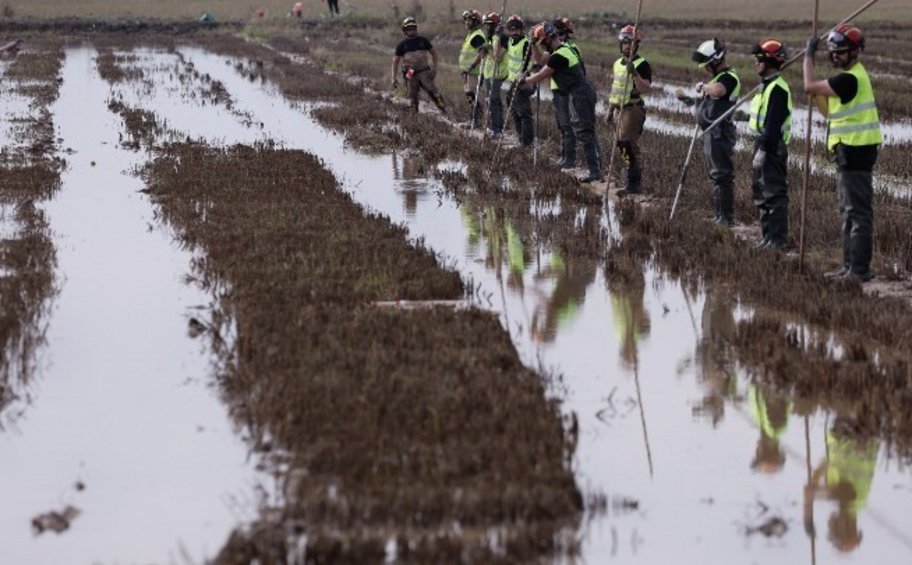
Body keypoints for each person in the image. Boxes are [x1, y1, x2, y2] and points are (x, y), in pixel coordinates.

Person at [803, 23, 881, 282]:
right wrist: (816, 95)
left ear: (855, 52)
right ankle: (848, 268)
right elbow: (828, 113)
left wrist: (807, 56)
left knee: (857, 214)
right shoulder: (845, 80)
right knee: (848, 212)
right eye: (832, 51)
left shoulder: (850, 79)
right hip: (848, 152)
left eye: (841, 51)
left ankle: (858, 271)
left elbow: (808, 84)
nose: (835, 55)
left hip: (856, 152)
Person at [523, 21, 601, 183]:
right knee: (583, 130)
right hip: (578, 92)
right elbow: (540, 59)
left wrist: (524, 80)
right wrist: (532, 44)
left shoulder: (560, 55)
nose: (542, 46)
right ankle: (595, 168)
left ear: (549, 39)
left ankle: (595, 170)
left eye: (542, 42)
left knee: (585, 131)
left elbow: (541, 75)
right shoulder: (562, 49)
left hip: (580, 94)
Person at [749, 38, 793, 250]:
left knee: (774, 194)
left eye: (759, 60)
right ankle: (767, 238)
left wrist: (764, 150)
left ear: (770, 62)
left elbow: (773, 125)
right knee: (761, 193)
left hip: (773, 147)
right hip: (762, 143)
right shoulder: (765, 87)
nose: (755, 64)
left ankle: (777, 240)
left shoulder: (778, 89)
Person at [692, 38, 741, 226]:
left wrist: (703, 87)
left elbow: (719, 91)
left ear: (716, 60)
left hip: (720, 132)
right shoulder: (716, 77)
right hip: (710, 133)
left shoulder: (728, 77)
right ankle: (719, 215)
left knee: (722, 175)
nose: (705, 69)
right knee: (715, 176)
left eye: (706, 65)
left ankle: (726, 218)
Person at [607, 24, 652, 194]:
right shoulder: (617, 64)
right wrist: (610, 111)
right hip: (619, 109)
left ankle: (634, 184)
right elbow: (616, 88)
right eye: (624, 43)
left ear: (636, 44)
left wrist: (635, 74)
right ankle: (629, 182)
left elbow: (645, 88)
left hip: (632, 109)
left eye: (630, 43)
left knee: (627, 144)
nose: (627, 46)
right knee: (620, 145)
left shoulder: (641, 64)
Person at [540, 17, 586, 169]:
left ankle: (570, 159)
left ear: (566, 33)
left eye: (560, 32)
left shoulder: (570, 49)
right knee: (562, 126)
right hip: (558, 90)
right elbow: (542, 60)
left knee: (568, 126)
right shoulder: (554, 50)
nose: (557, 35)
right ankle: (565, 155)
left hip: (568, 92)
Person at [391, 17, 446, 113]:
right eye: (409, 29)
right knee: (412, 96)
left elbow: (434, 54)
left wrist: (434, 68)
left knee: (433, 92)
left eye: (413, 28)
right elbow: (395, 62)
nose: (412, 31)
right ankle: (414, 115)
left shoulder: (422, 40)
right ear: (405, 31)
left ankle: (443, 110)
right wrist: (393, 78)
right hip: (410, 73)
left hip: (424, 70)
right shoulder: (402, 45)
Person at [503, 15, 534, 146]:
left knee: (523, 112)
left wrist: (524, 74)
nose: (514, 32)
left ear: (522, 30)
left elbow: (531, 61)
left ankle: (526, 143)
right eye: (511, 30)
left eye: (517, 30)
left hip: (524, 81)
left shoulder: (526, 42)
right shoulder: (510, 41)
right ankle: (520, 138)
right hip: (513, 81)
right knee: (513, 109)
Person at [481, 12, 509, 138]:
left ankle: (498, 129)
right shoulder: (490, 37)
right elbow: (488, 57)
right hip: (488, 73)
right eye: (486, 25)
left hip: (497, 74)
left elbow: (498, 57)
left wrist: (489, 49)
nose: (487, 27)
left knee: (493, 100)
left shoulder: (503, 38)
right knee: (492, 101)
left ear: (496, 25)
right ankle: (495, 126)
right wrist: (483, 50)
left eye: (490, 25)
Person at [459, 10, 487, 127]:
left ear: (475, 22)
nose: (466, 22)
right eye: (465, 19)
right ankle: (473, 119)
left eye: (469, 20)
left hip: (474, 71)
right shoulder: (471, 34)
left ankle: (478, 120)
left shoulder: (477, 36)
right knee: (469, 95)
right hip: (468, 72)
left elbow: (482, 53)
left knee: (473, 94)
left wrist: (471, 66)